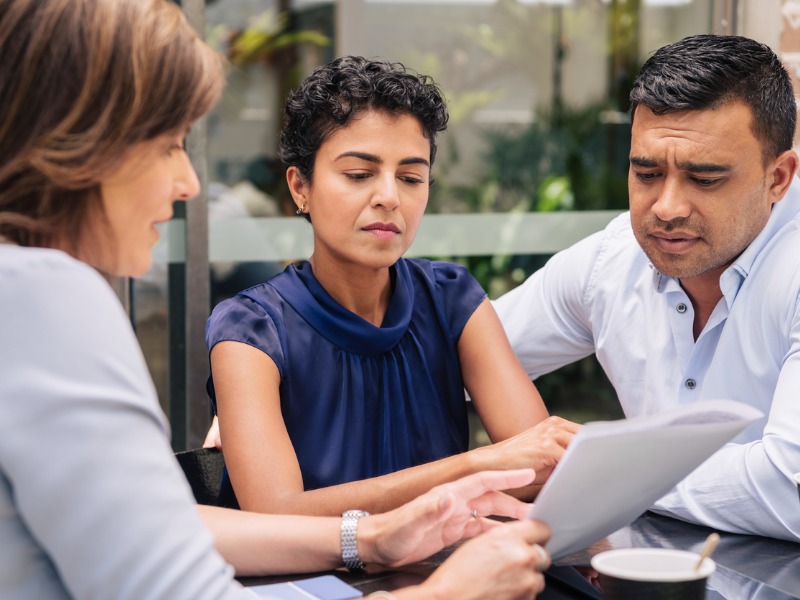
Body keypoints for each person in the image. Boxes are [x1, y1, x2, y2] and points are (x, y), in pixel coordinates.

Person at [0, 0, 555, 598]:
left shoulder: (447, 295)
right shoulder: (46, 296)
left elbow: (154, 525)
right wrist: (446, 586)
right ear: (78, 145)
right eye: (165, 143)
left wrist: (371, 538)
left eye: (412, 177)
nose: (189, 183)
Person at [204, 55, 580, 516]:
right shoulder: (250, 330)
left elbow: (541, 467)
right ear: (300, 188)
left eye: (410, 177)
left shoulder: (452, 299)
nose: (389, 197)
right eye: (359, 175)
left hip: (446, 573)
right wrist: (478, 466)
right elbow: (278, 513)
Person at [494, 33, 800, 542]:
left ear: (779, 177)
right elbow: (457, 357)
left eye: (705, 179)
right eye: (647, 172)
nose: (666, 207)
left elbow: (790, 490)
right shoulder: (612, 262)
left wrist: (607, 471)